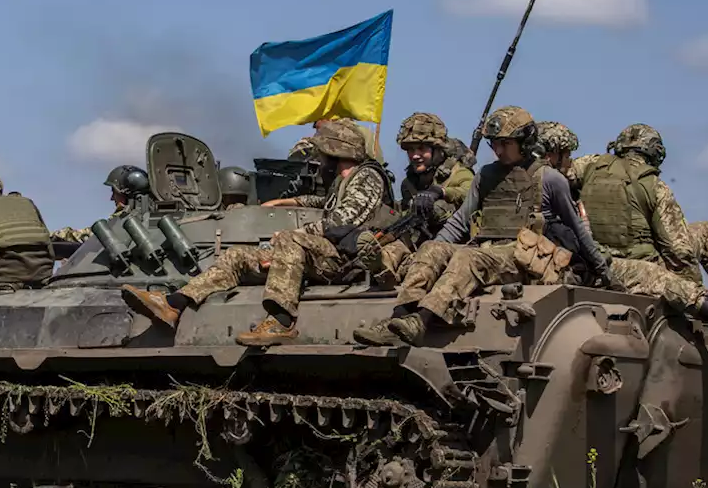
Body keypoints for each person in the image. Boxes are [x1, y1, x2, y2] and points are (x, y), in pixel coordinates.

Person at [355, 106, 613, 347]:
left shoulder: (549, 179)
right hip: (487, 248)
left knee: (469, 257)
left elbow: (576, 226)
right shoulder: (486, 175)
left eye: (505, 144)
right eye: (494, 144)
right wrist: (433, 249)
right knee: (432, 248)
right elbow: (459, 222)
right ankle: (398, 318)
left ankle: (422, 321)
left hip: (521, 256)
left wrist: (601, 269)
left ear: (524, 142)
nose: (498, 151)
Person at [121, 121, 391, 345]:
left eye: (322, 154)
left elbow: (344, 221)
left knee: (288, 238)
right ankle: (173, 303)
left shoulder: (368, 177)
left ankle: (281, 322)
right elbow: (326, 205)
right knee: (237, 256)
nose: (318, 160)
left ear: (336, 152)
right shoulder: (344, 181)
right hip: (322, 255)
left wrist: (295, 233)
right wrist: (287, 202)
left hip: (347, 259)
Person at [574, 122, 708, 332]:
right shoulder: (655, 186)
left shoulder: (589, 165)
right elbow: (678, 251)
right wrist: (692, 289)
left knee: (700, 232)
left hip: (598, 259)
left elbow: (560, 176)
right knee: (705, 232)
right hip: (641, 267)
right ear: (655, 153)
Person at [360, 112, 474, 288]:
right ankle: (384, 267)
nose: (415, 155)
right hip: (419, 244)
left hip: (455, 245)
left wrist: (440, 191)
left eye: (421, 149)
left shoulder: (458, 173)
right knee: (395, 247)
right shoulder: (410, 183)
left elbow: (470, 192)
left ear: (437, 150)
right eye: (411, 150)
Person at [52, 164, 151, 243]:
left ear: (126, 194)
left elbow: (92, 236)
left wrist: (60, 235)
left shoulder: (124, 221)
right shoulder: (148, 216)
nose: (112, 198)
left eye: (114, 192)